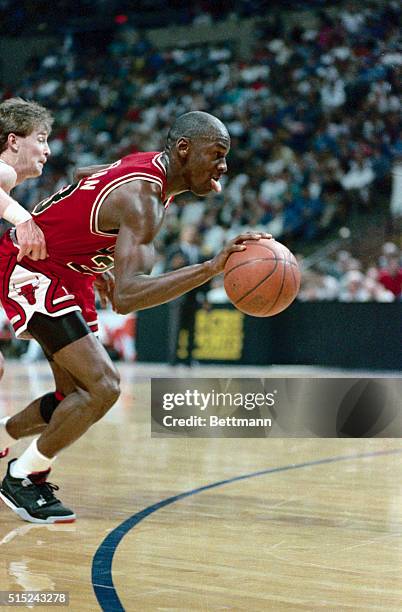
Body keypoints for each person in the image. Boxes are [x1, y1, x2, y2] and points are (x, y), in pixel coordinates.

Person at [0, 111, 270, 523]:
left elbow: (85, 174)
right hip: (33, 267)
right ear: (184, 150)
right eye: (216, 154)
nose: (223, 166)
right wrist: (210, 268)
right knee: (103, 386)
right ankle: (23, 476)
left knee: (69, 396)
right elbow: (125, 299)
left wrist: (93, 254)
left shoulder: (145, 166)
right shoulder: (144, 198)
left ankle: (3, 436)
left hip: (70, 271)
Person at [0, 97, 52, 381]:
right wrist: (23, 220)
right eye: (41, 139)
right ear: (14, 141)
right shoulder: (4, 171)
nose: (48, 150)